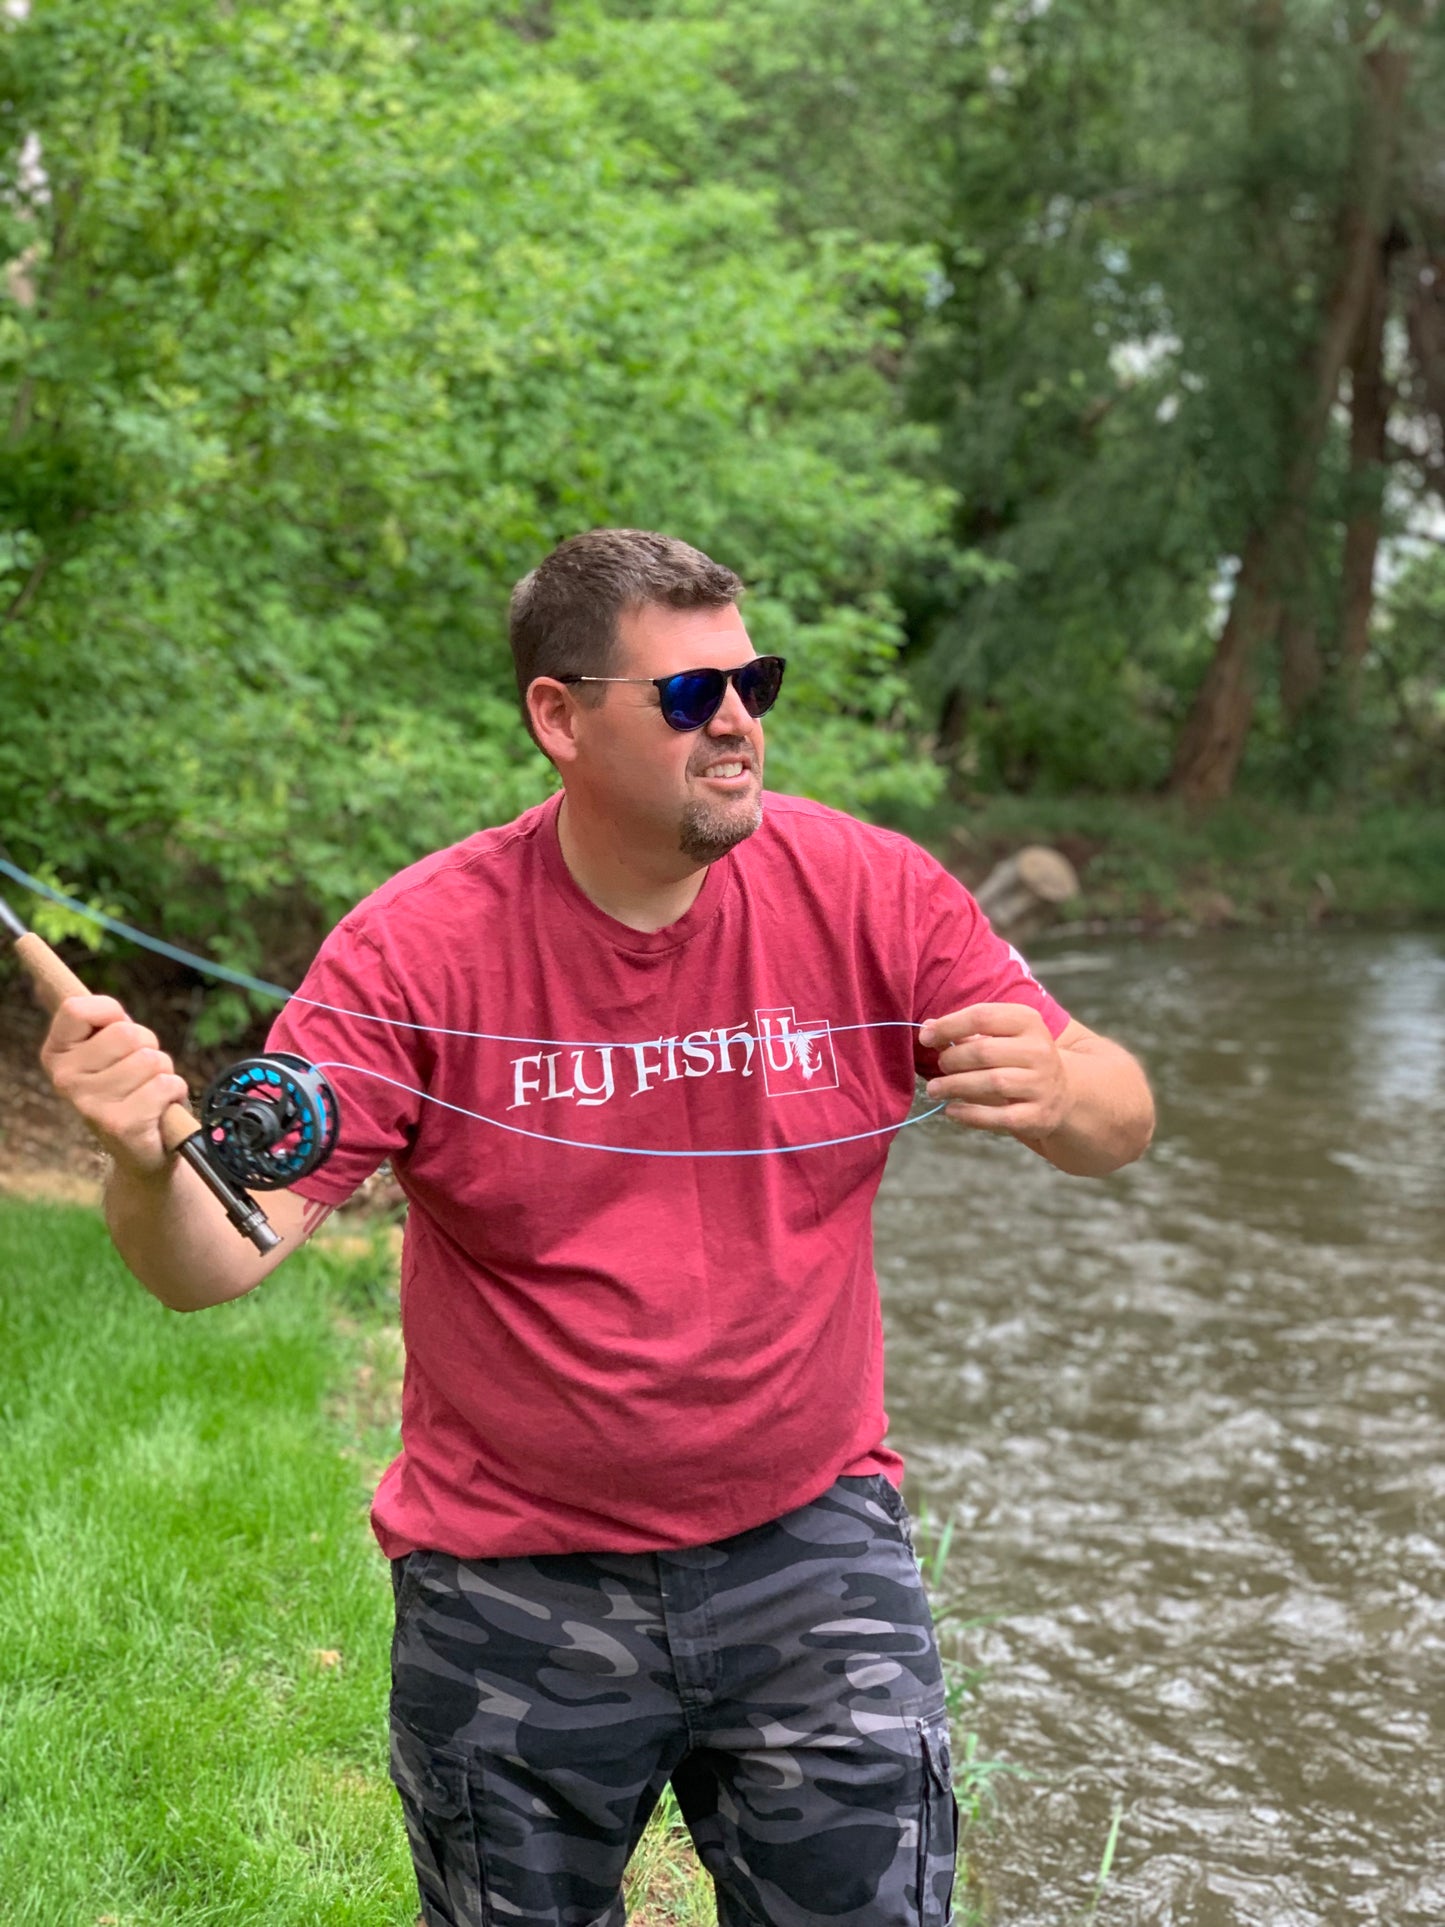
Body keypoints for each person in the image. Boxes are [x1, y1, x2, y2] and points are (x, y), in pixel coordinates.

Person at [40, 528, 1154, 1927]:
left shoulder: (870, 892)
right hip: (510, 1580)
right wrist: (146, 1163)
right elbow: (210, 1259)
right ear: (557, 719)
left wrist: (1057, 1091)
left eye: (755, 680)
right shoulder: (416, 948)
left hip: (811, 1557)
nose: (737, 719)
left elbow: (1121, 1114)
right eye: (690, 696)